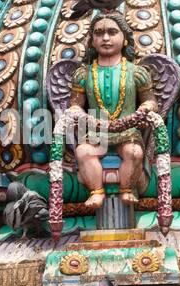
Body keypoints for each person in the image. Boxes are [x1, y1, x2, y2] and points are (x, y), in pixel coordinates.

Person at [67, 14, 155, 212]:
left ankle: (127, 188)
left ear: (125, 39)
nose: (105, 38)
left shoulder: (136, 72)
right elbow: (75, 104)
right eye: (99, 33)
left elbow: (150, 100)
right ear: (91, 41)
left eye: (112, 32)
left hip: (128, 132)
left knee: (134, 152)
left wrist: (144, 110)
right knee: (83, 151)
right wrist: (78, 113)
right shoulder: (84, 74)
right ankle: (96, 191)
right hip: (97, 133)